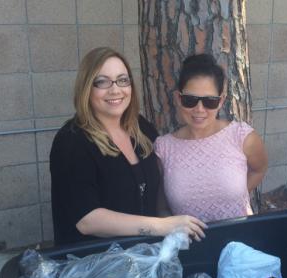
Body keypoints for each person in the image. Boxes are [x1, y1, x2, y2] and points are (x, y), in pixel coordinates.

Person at [50, 47, 207, 245]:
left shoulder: (141, 128)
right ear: (86, 88)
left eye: (122, 80)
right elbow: (87, 221)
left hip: (145, 258)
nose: (115, 89)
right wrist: (161, 225)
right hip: (94, 264)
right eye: (102, 82)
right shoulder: (71, 141)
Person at [154, 54, 268, 222]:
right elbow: (161, 202)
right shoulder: (164, 148)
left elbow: (259, 169)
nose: (199, 109)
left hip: (238, 239)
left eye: (210, 101)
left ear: (221, 101)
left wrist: (238, 195)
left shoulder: (242, 137)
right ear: (178, 98)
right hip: (188, 244)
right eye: (190, 100)